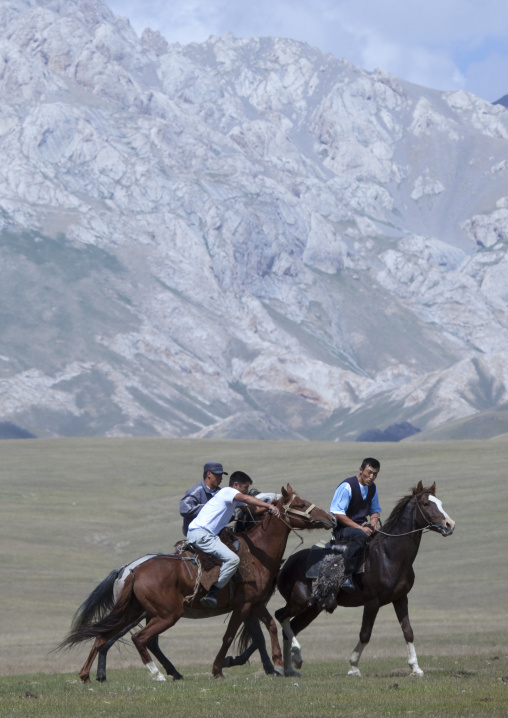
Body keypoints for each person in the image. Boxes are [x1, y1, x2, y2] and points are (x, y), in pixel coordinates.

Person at [187, 471, 281, 608]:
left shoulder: (233, 498)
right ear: (236, 485)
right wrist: (269, 506)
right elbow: (247, 499)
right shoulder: (227, 492)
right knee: (233, 559)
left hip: (202, 534)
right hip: (202, 534)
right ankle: (212, 592)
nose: (247, 491)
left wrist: (273, 506)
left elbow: (253, 510)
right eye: (246, 487)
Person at [330, 458, 382, 593]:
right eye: (369, 472)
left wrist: (373, 523)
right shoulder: (347, 486)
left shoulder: (372, 488)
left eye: (375, 474)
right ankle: (345, 575)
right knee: (362, 536)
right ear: (361, 470)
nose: (371, 477)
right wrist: (360, 528)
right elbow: (337, 514)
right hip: (342, 529)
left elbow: (375, 509)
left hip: (361, 527)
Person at [179, 462, 227, 535]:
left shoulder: (221, 493)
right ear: (208, 474)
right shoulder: (196, 491)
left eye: (221, 475)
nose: (221, 478)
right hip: (196, 534)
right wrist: (210, 508)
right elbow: (184, 508)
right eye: (218, 475)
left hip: (215, 534)